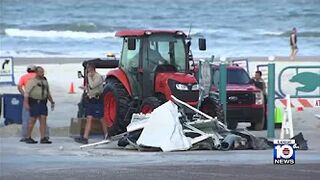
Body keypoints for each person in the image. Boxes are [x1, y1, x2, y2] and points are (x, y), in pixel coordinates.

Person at [74, 63, 107, 144]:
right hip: (90, 99)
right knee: (89, 118)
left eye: (88, 70)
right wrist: (85, 88)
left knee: (101, 118)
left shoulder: (98, 77)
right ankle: (85, 137)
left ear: (92, 69)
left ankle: (106, 134)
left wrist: (88, 77)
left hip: (97, 100)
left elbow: (92, 85)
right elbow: (90, 88)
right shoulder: (91, 77)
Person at [18, 65, 50, 142]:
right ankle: (44, 136)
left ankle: (26, 136)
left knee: (28, 119)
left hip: (31, 99)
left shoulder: (24, 77)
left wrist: (24, 94)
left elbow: (19, 87)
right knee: (42, 120)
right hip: (38, 100)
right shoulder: (38, 79)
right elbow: (47, 92)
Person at [23, 66, 55, 144]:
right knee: (33, 120)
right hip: (34, 102)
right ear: (36, 73)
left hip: (43, 102)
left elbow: (47, 92)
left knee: (43, 119)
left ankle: (43, 138)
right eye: (41, 72)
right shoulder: (32, 81)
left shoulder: (45, 81)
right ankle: (28, 137)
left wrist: (51, 101)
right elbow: (26, 93)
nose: (42, 73)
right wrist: (26, 103)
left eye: (43, 72)